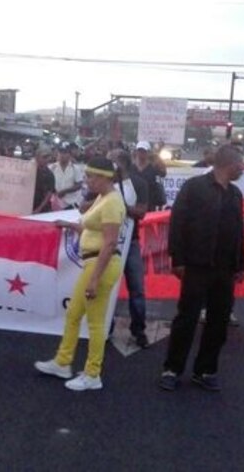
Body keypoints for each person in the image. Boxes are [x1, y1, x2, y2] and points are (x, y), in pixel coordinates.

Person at [34, 156, 127, 392]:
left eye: (90, 176)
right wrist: (69, 226)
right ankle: (63, 362)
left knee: (95, 323)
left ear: (103, 177)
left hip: (100, 265)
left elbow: (109, 242)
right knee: (74, 314)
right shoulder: (103, 199)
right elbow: (90, 227)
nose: (87, 180)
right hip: (93, 263)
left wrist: (95, 278)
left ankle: (92, 373)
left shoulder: (112, 202)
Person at [160, 145, 244, 393]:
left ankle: (206, 370)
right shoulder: (195, 187)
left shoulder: (235, 195)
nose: (242, 168)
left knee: (218, 321)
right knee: (186, 319)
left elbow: (239, 232)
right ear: (229, 164)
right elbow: (177, 223)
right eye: (240, 163)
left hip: (224, 270)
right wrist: (177, 259)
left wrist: (240, 263)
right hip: (197, 266)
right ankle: (172, 369)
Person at [109, 149, 150, 348]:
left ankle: (138, 329)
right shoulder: (105, 184)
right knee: (106, 287)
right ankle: (107, 325)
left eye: (110, 162)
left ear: (120, 164)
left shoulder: (139, 184)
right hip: (108, 242)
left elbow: (141, 212)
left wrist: (118, 206)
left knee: (137, 289)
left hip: (130, 242)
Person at [133, 141, 167, 211]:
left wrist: (158, 158)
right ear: (136, 151)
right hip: (134, 202)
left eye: (144, 151)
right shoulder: (131, 166)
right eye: (139, 150)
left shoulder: (153, 167)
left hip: (150, 202)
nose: (141, 153)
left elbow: (163, 173)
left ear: (148, 152)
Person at [50, 142, 84, 210]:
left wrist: (65, 191)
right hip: (56, 203)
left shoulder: (75, 168)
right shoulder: (52, 167)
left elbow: (79, 185)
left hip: (72, 203)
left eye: (65, 153)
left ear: (70, 155)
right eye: (61, 152)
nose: (62, 155)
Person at [33, 147, 57, 214]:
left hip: (42, 209)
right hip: (26, 206)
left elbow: (48, 195)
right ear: (36, 157)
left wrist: (39, 209)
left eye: (48, 157)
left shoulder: (50, 175)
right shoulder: (28, 170)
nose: (47, 160)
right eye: (44, 157)